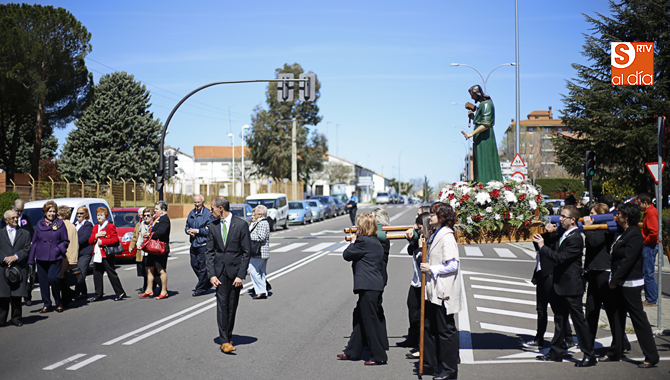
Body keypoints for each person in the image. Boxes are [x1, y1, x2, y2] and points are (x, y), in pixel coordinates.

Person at [533, 205, 596, 367]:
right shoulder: (565, 234)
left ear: (572, 220)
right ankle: (555, 353)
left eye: (563, 216)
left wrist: (542, 246)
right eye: (560, 216)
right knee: (560, 320)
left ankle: (589, 355)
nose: (560, 219)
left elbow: (559, 258)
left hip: (572, 286)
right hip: (560, 285)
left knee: (579, 322)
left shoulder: (576, 238)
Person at [601, 202, 659, 368]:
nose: (616, 215)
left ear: (626, 217)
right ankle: (615, 351)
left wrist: (614, 280)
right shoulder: (624, 233)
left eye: (619, 214)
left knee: (638, 319)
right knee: (617, 317)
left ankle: (651, 355)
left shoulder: (634, 235)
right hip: (620, 282)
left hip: (630, 283)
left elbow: (628, 261)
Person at [416, 202, 463, 379]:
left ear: (442, 217)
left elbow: (452, 264)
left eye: (434, 214)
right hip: (433, 291)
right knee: (430, 327)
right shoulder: (435, 234)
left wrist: (432, 269)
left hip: (443, 291)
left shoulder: (447, 236)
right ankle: (431, 364)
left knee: (446, 331)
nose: (430, 217)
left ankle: (449, 371)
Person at [338, 213, 388, 365]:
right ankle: (352, 351)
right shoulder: (374, 241)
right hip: (373, 285)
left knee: (369, 321)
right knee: (360, 318)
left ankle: (379, 356)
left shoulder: (363, 242)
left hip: (368, 286)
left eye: (358, 226)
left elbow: (347, 255)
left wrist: (353, 242)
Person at [523, 217, 576, 351]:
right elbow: (539, 252)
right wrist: (536, 274)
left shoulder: (559, 236)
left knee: (558, 309)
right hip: (542, 274)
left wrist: (551, 232)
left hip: (551, 275)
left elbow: (553, 249)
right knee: (541, 309)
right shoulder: (544, 235)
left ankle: (568, 338)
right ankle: (539, 338)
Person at [206, 196, 251, 354]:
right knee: (221, 305)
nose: (210, 211)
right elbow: (209, 252)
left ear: (220, 208)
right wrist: (211, 274)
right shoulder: (212, 226)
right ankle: (224, 341)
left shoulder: (241, 225)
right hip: (219, 273)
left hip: (235, 273)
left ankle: (228, 336)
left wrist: (241, 275)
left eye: (211, 209)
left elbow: (246, 252)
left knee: (232, 306)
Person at [582, 203, 619, 353]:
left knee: (611, 310)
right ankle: (588, 343)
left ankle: (619, 342)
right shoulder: (595, 228)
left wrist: (587, 227)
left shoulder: (606, 228)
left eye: (593, 213)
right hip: (592, 271)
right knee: (591, 309)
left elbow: (594, 242)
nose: (590, 216)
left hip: (603, 271)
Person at [399, 209, 432, 354]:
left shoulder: (429, 239)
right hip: (416, 281)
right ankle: (412, 339)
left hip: (425, 283)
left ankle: (421, 345)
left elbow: (421, 259)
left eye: (418, 215)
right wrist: (412, 239)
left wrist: (419, 245)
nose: (415, 216)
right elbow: (409, 250)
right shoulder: (419, 235)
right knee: (412, 310)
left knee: (421, 316)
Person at [28, 201, 69, 313]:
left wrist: (58, 249)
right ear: (45, 212)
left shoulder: (60, 223)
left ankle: (58, 301)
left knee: (53, 278)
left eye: (54, 211)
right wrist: (31, 259)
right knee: (43, 282)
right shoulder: (40, 224)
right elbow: (35, 242)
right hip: (41, 257)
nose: (52, 213)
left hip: (55, 257)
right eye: (49, 211)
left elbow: (65, 240)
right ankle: (47, 303)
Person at [460, 84, 502, 184]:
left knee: (485, 160)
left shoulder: (487, 104)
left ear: (477, 93)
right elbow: (480, 122)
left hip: (485, 138)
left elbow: (486, 124)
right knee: (479, 161)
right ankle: (479, 182)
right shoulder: (481, 105)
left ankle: (487, 183)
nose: (471, 97)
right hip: (480, 137)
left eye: (472, 95)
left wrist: (471, 133)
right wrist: (472, 117)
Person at [89, 207, 127, 302]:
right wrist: (96, 236)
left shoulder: (110, 226)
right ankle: (98, 295)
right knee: (97, 275)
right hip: (97, 254)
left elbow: (115, 239)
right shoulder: (95, 227)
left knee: (111, 274)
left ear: (105, 216)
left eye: (101, 215)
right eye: (98, 215)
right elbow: (90, 241)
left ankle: (120, 292)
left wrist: (103, 241)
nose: (99, 217)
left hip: (107, 254)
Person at [0, 210, 31, 327]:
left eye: (17, 217)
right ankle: (1, 319)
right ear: (6, 220)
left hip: (18, 267)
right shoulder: (0, 233)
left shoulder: (25, 233)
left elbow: (27, 248)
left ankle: (16, 318)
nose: (15, 219)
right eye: (12, 218)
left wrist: (16, 257)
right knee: (3, 295)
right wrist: (4, 258)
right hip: (3, 267)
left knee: (16, 296)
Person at [140, 201, 171, 299]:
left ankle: (164, 291)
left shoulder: (165, 219)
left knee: (161, 270)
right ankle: (149, 289)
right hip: (152, 247)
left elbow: (162, 231)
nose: (155, 210)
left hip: (160, 248)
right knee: (149, 268)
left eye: (156, 209)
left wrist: (151, 235)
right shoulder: (156, 218)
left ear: (163, 209)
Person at [186, 195, 213, 297]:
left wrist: (197, 231)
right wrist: (188, 231)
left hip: (203, 244)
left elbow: (210, 230)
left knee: (203, 267)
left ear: (203, 202)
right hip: (194, 243)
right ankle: (207, 282)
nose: (197, 204)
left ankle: (200, 288)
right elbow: (187, 226)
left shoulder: (207, 214)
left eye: (198, 202)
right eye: (195, 202)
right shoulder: (192, 213)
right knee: (194, 265)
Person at [637, 193, 658, 307]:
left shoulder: (650, 212)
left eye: (639, 203)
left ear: (645, 203)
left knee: (647, 272)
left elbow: (654, 232)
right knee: (647, 271)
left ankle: (651, 299)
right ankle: (654, 294)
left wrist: (645, 241)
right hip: (650, 244)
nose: (639, 206)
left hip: (649, 245)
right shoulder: (650, 211)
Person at [57, 206, 79, 308]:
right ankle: (69, 295)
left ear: (64, 215)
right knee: (60, 280)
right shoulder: (58, 225)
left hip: (67, 257)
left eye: (58, 215)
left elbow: (73, 243)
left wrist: (72, 259)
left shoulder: (70, 226)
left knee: (63, 279)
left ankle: (67, 298)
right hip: (60, 257)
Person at [248, 205, 270, 299]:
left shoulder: (262, 223)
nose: (254, 215)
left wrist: (247, 237)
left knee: (253, 270)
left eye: (256, 213)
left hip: (259, 252)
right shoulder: (262, 222)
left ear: (260, 214)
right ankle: (263, 291)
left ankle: (260, 291)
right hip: (261, 252)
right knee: (260, 272)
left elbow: (261, 237)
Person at [73, 206, 93, 300]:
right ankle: (84, 293)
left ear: (85, 215)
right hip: (76, 252)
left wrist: (73, 243)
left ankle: (76, 293)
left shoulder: (88, 225)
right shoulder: (75, 224)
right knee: (79, 272)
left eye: (81, 213)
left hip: (85, 252)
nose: (79, 215)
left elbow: (85, 237)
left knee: (81, 273)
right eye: (78, 213)